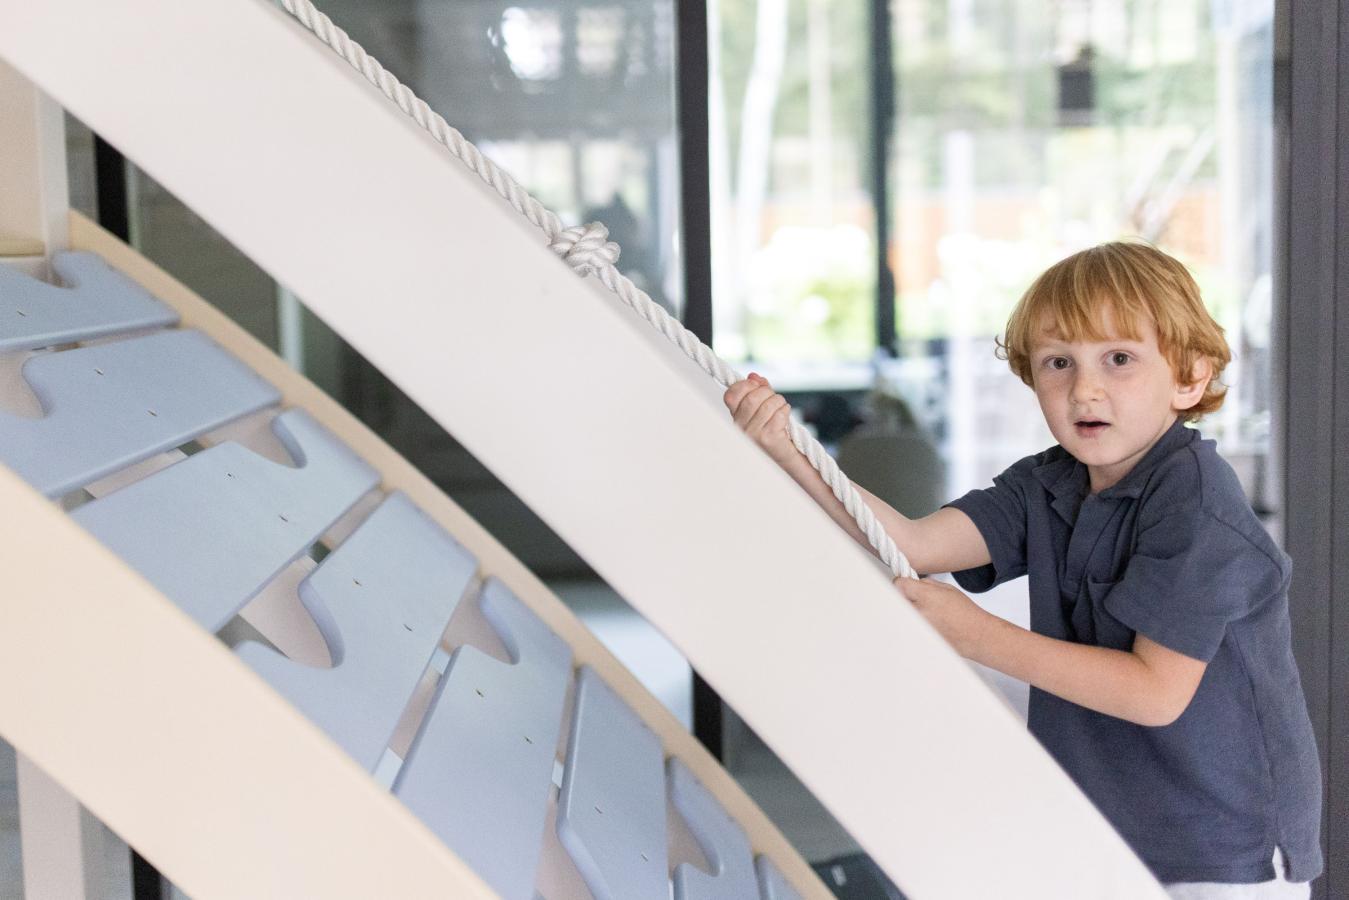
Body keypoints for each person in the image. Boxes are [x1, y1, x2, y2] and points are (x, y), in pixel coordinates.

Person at [723, 242, 1323, 898]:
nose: (1083, 389)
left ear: (1189, 378)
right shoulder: (1046, 483)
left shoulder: (1198, 505)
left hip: (1222, 845)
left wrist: (976, 635)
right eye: (1058, 363)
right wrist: (790, 451)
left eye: (1118, 359)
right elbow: (913, 543)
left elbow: (1155, 693)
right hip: (1114, 827)